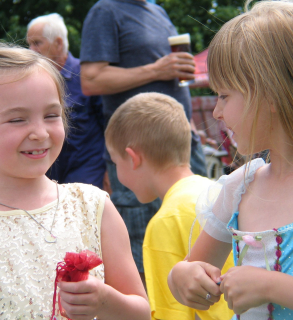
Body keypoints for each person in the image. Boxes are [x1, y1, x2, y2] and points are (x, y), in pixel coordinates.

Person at [168, 1, 293, 320]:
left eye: (224, 95)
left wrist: (274, 286)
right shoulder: (240, 187)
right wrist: (182, 277)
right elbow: (191, 268)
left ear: (272, 93)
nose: (217, 112)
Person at [0, 42, 150, 320]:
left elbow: (141, 312)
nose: (40, 132)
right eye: (18, 119)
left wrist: (105, 302)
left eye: (51, 115)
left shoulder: (92, 206)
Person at [79, 0, 207, 276]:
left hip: (183, 143)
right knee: (145, 248)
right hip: (139, 152)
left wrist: (192, 128)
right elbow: (90, 80)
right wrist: (156, 70)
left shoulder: (157, 11)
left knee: (198, 236)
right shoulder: (106, 11)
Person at [105, 92, 234, 320]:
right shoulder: (220, 194)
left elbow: (170, 315)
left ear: (133, 158)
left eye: (115, 163)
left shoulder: (165, 221)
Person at [27, 13, 106, 188]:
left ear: (58, 43)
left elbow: (109, 123)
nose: (31, 50)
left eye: (37, 43)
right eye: (29, 44)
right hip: (48, 172)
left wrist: (111, 169)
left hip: (87, 170)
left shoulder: (85, 75)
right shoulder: (33, 81)